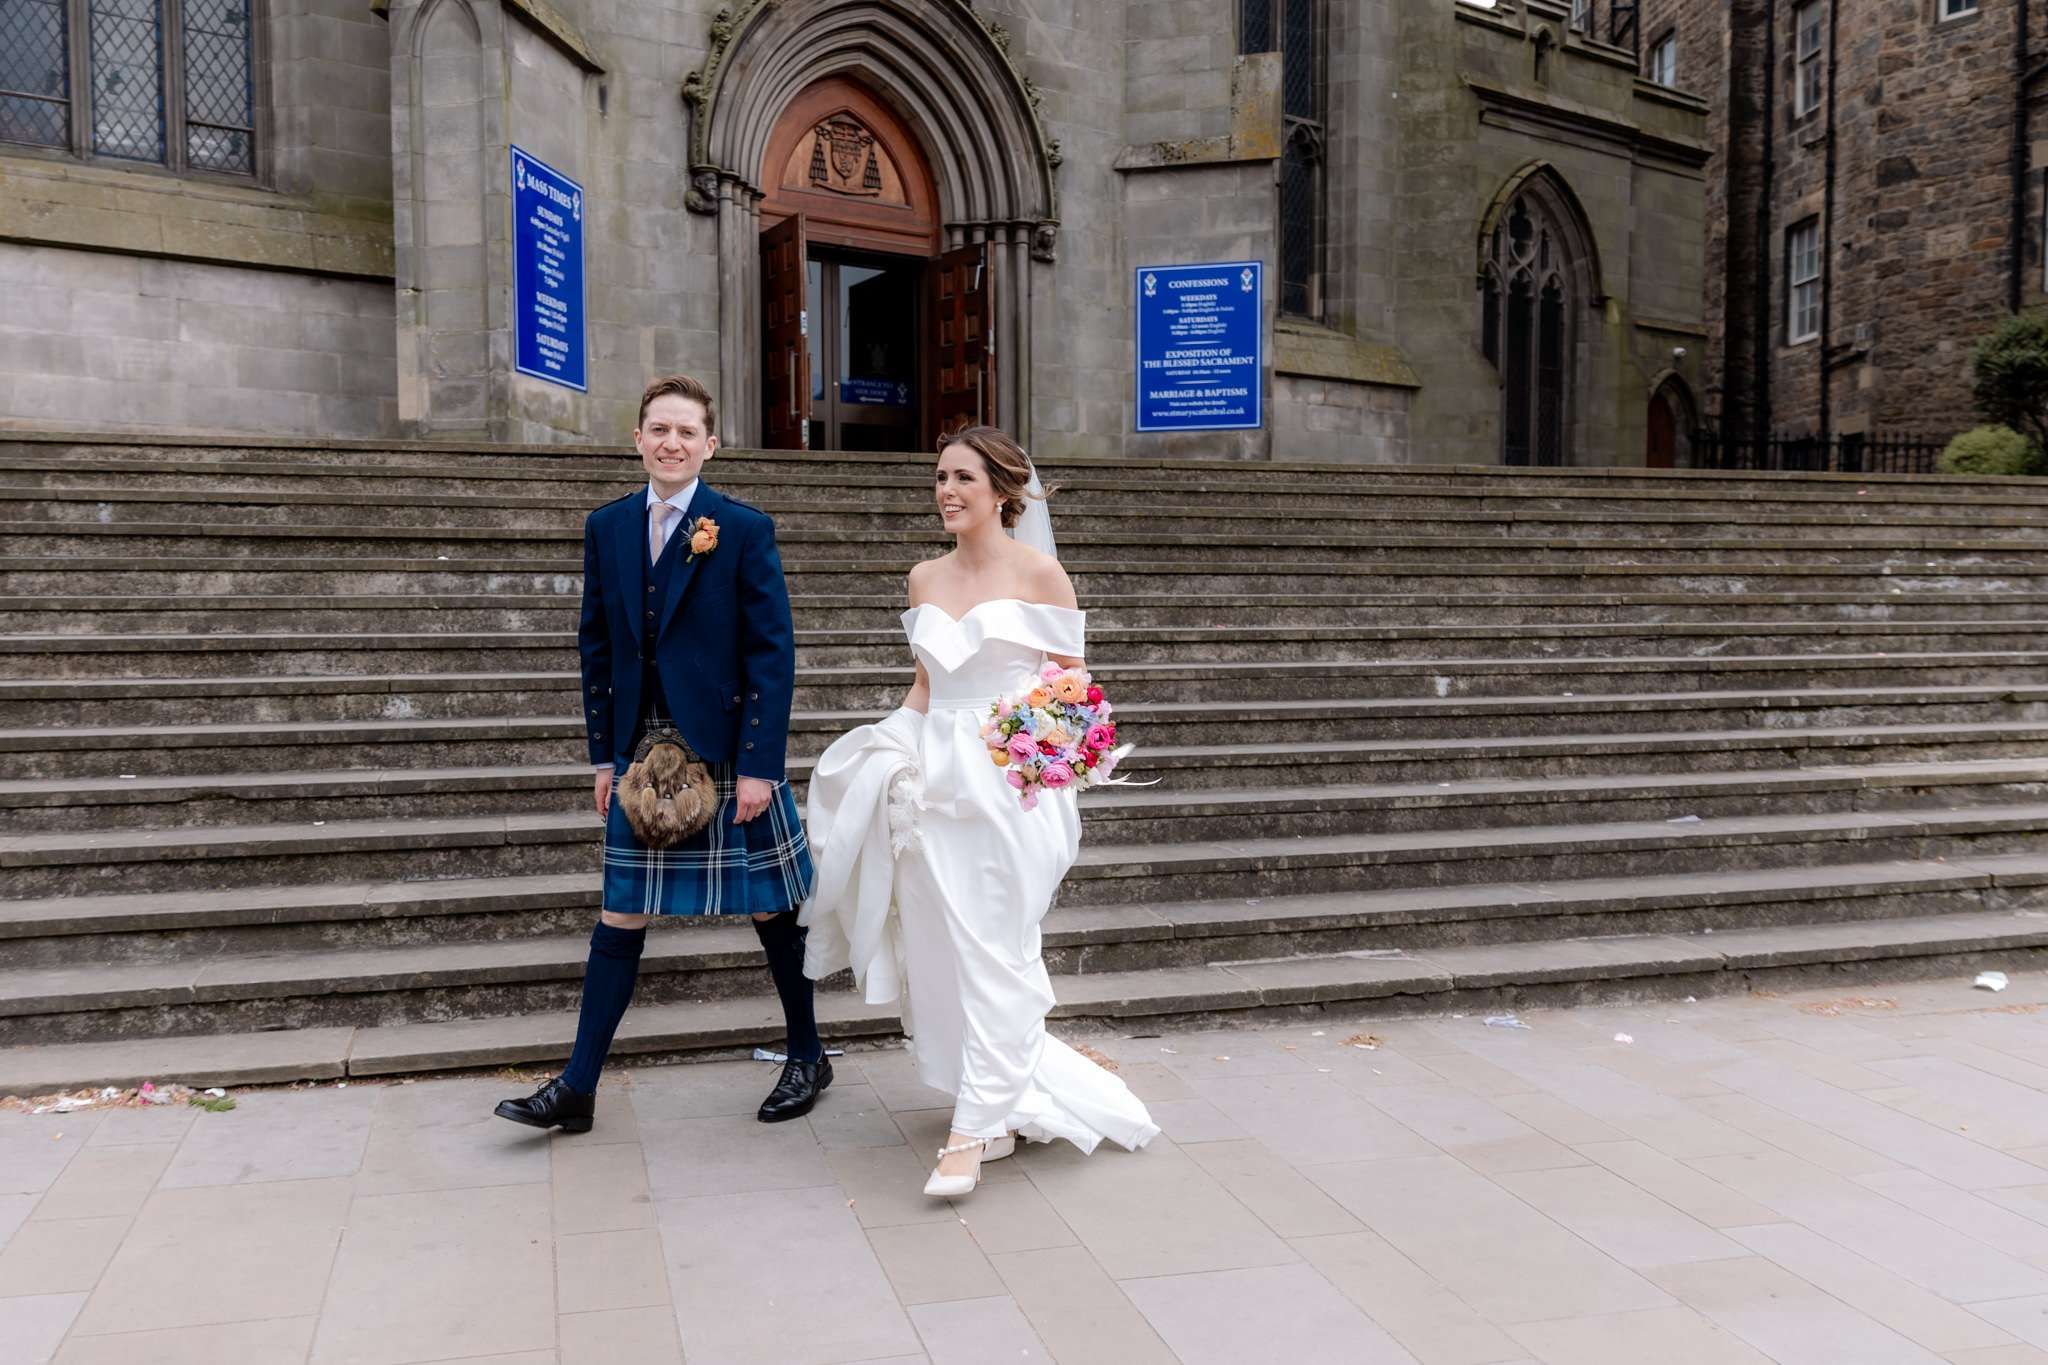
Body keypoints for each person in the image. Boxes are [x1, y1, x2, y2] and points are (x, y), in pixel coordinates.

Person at [801, 426, 1158, 1198]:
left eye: (963, 477)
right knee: (942, 947)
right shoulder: (923, 577)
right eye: (939, 478)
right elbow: (926, 685)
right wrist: (885, 751)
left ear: (1002, 490)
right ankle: (992, 1105)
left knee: (996, 945)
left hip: (1007, 783)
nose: (948, 491)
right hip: (932, 785)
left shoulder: (1041, 572)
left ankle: (969, 1133)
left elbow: (1075, 685)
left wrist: (1035, 757)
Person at [495, 374, 823, 1134]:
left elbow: (773, 653)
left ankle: (807, 1051)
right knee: (622, 910)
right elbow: (598, 646)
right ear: (637, 439)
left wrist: (762, 767)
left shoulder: (741, 527)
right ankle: (578, 1086)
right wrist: (603, 757)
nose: (671, 442)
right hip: (643, 754)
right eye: (658, 429)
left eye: (686, 432)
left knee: (771, 906)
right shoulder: (607, 526)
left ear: (710, 445)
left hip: (726, 749)